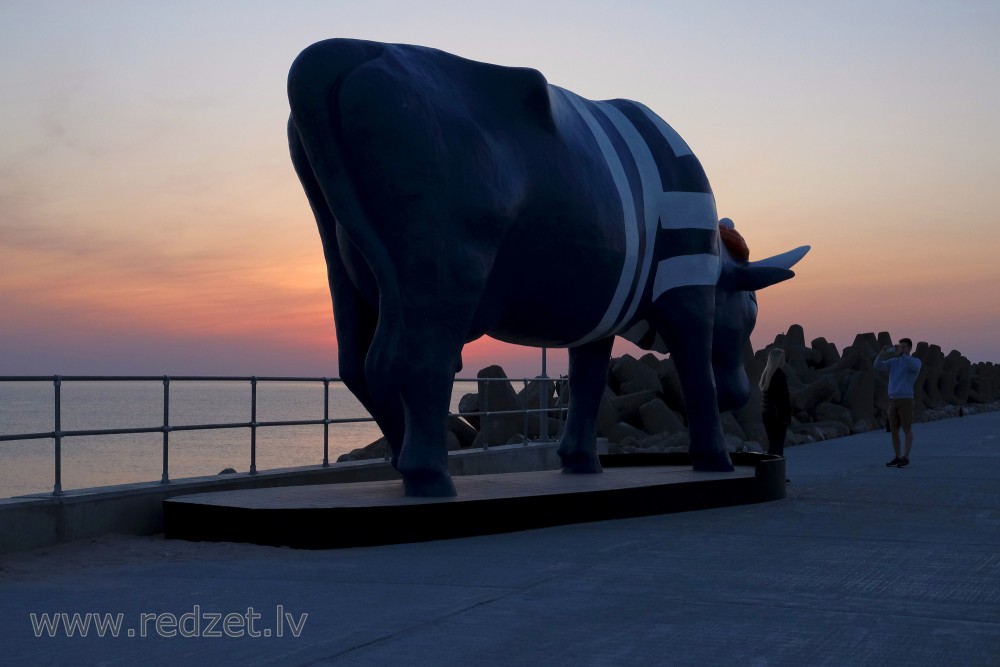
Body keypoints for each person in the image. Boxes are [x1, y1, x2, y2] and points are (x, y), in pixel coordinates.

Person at [873, 338, 922, 468]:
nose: (901, 348)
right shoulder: (894, 362)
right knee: (894, 430)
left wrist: (901, 354)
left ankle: (906, 457)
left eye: (904, 347)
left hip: (906, 399)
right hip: (893, 399)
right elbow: (877, 365)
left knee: (907, 429)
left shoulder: (915, 361)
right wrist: (881, 354)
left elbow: (915, 367)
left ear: (910, 348)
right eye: (900, 346)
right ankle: (897, 456)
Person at [759, 348, 792, 460]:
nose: (784, 361)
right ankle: (776, 474)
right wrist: (787, 418)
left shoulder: (766, 375)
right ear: (779, 360)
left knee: (773, 446)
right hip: (778, 416)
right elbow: (784, 399)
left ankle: (770, 472)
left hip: (767, 415)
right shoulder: (779, 375)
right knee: (778, 448)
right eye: (783, 359)